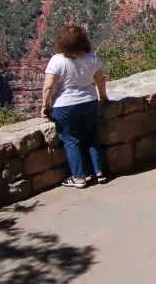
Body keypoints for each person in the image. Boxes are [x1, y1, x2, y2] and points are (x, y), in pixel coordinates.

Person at [40, 25, 108, 189]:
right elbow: (100, 79)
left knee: (71, 140)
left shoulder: (57, 60)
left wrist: (45, 106)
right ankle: (99, 172)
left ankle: (79, 178)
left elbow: (48, 87)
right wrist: (103, 96)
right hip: (89, 102)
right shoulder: (92, 58)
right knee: (91, 136)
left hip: (65, 106)